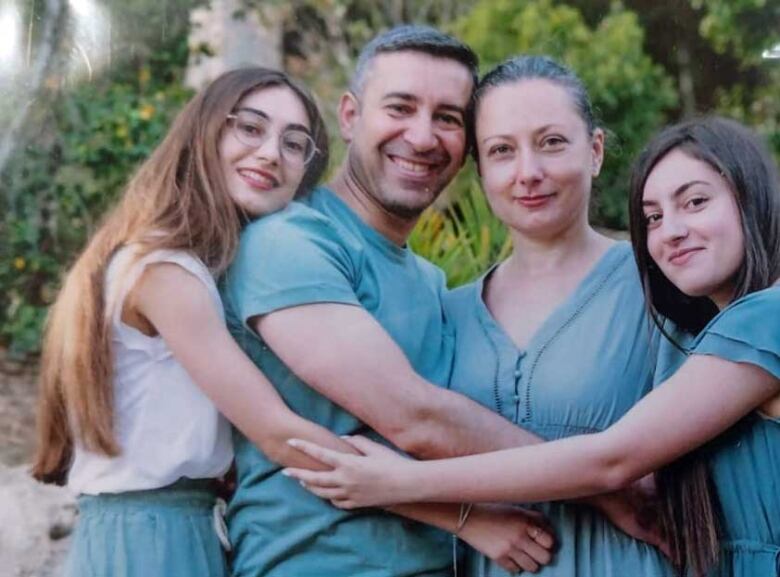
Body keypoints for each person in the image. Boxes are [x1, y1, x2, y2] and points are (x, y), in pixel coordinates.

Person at [284, 115, 780, 577]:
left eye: (696, 202)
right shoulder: (719, 327)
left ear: (752, 197)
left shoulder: (763, 319)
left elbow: (611, 460)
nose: (671, 231)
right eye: (652, 217)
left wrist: (398, 485)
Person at [219, 27, 569, 577]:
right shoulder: (289, 242)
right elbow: (415, 418)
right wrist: (602, 482)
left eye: (448, 118)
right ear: (351, 115)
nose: (423, 136)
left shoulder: (430, 281)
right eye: (400, 108)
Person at [29, 66, 364, 577]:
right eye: (250, 128)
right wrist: (451, 506)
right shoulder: (167, 271)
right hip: (155, 540)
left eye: (295, 144)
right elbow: (278, 434)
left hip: (155, 529)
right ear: (205, 132)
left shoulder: (162, 261)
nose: (272, 152)